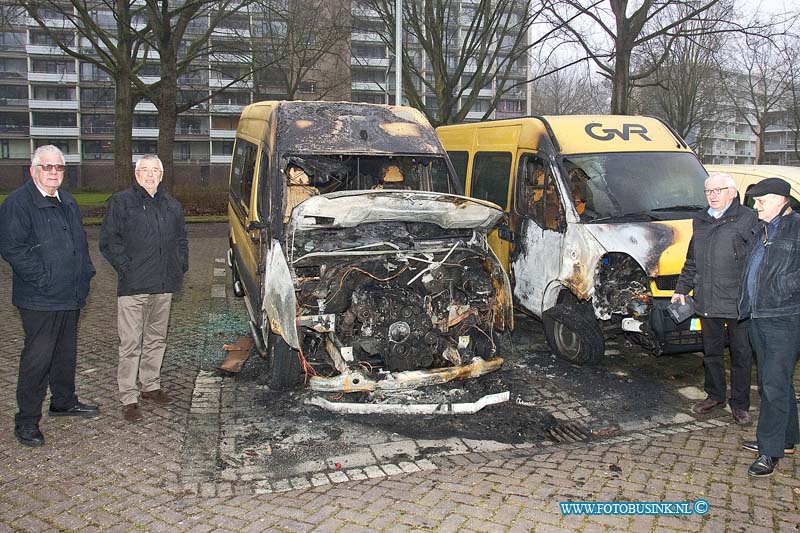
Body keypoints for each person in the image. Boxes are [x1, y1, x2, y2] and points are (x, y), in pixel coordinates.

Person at [0, 145, 99, 447]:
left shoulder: (67, 201)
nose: (54, 172)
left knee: (65, 353)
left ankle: (63, 402)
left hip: (70, 294)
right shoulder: (18, 204)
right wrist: (43, 278)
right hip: (40, 298)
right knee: (37, 359)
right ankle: (27, 420)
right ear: (33, 170)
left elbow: (77, 242)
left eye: (59, 167)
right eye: (47, 167)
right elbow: (12, 248)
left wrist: (86, 272)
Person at [99, 155, 188, 422]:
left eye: (155, 171)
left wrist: (179, 266)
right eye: (144, 170)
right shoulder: (121, 202)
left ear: (162, 175)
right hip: (133, 287)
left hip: (163, 286)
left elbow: (182, 240)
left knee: (156, 340)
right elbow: (108, 242)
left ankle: (150, 386)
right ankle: (128, 397)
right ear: (136, 175)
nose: (150, 175)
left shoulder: (172, 205)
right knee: (130, 344)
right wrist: (127, 268)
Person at [672, 172, 757, 425]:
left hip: (738, 301)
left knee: (741, 355)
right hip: (707, 299)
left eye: (718, 190)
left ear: (732, 193)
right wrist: (681, 288)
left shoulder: (748, 219)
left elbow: (756, 261)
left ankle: (740, 404)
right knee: (711, 352)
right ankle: (715, 396)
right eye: (709, 191)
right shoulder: (701, 219)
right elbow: (692, 259)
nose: (713, 196)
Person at [737, 177, 800, 477]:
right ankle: (786, 440)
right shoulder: (762, 228)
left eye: (761, 201)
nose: (755, 206)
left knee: (772, 384)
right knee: (775, 380)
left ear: (779, 200)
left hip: (783, 317)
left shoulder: (796, 227)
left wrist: (779, 286)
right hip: (758, 315)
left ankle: (769, 450)